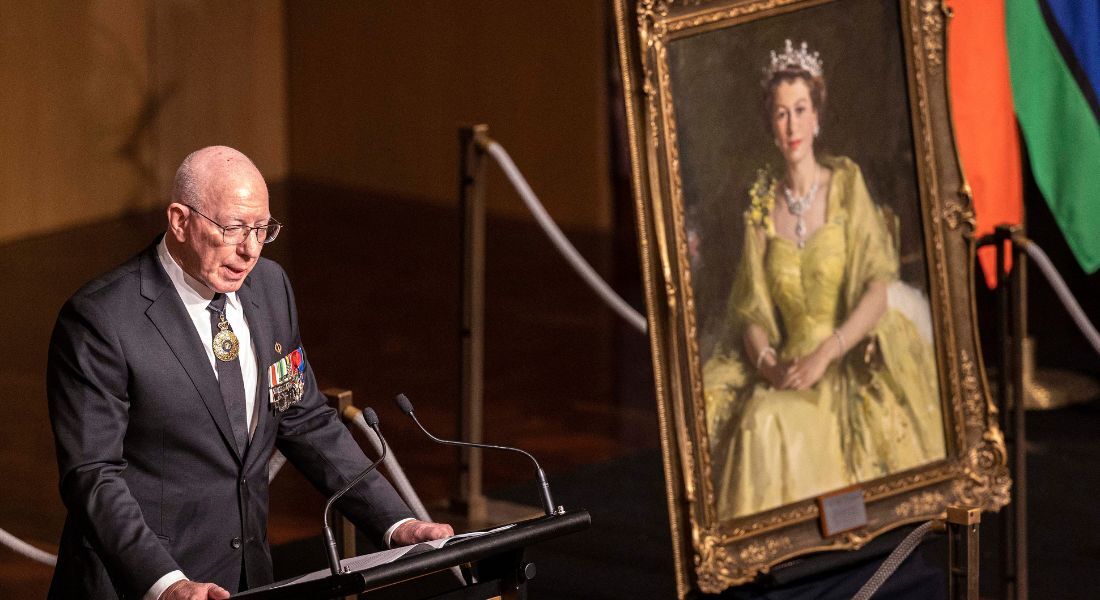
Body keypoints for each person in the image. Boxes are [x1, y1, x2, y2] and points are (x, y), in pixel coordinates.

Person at [47, 146, 453, 599]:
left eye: (262, 229)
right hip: (139, 584)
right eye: (234, 228)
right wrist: (168, 584)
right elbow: (93, 474)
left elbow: (304, 417)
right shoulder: (101, 319)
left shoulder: (270, 287)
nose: (249, 250)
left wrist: (395, 523)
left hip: (246, 575)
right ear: (180, 220)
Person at [703, 41, 946, 521]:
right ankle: (770, 556)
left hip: (842, 359)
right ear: (770, 125)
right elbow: (750, 311)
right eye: (780, 114)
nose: (791, 126)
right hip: (785, 365)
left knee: (791, 427)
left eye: (800, 110)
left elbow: (878, 289)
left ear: (817, 116)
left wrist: (825, 354)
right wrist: (770, 365)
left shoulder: (846, 186)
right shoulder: (760, 205)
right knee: (758, 421)